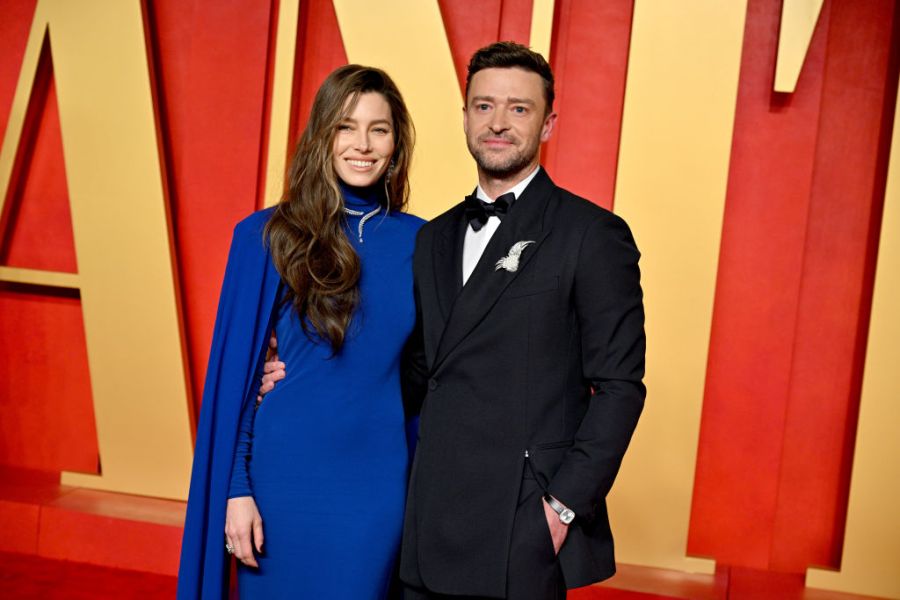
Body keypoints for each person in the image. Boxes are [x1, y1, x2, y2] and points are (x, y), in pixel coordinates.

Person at [262, 42, 645, 600]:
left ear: (548, 124)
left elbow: (619, 387)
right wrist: (287, 378)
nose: (498, 123)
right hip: (424, 518)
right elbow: (407, 368)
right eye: (484, 106)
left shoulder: (592, 235)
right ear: (465, 116)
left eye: (519, 108)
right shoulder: (432, 237)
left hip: (520, 524)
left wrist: (562, 508)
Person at [177, 64, 423, 600]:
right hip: (283, 478)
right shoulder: (267, 235)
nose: (362, 144)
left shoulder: (423, 243)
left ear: (396, 141)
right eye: (345, 126)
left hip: (377, 482)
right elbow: (237, 382)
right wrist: (235, 490)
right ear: (321, 136)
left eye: (378, 129)